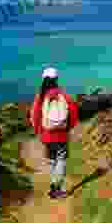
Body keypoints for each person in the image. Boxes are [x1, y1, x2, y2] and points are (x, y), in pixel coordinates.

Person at [29, 67, 79, 199]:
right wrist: (67, 128)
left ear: (43, 79)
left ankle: (54, 186)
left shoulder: (40, 97)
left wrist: (39, 132)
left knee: (51, 160)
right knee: (61, 159)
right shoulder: (63, 95)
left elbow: (34, 116)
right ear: (56, 79)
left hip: (46, 135)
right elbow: (73, 113)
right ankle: (57, 187)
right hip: (62, 134)